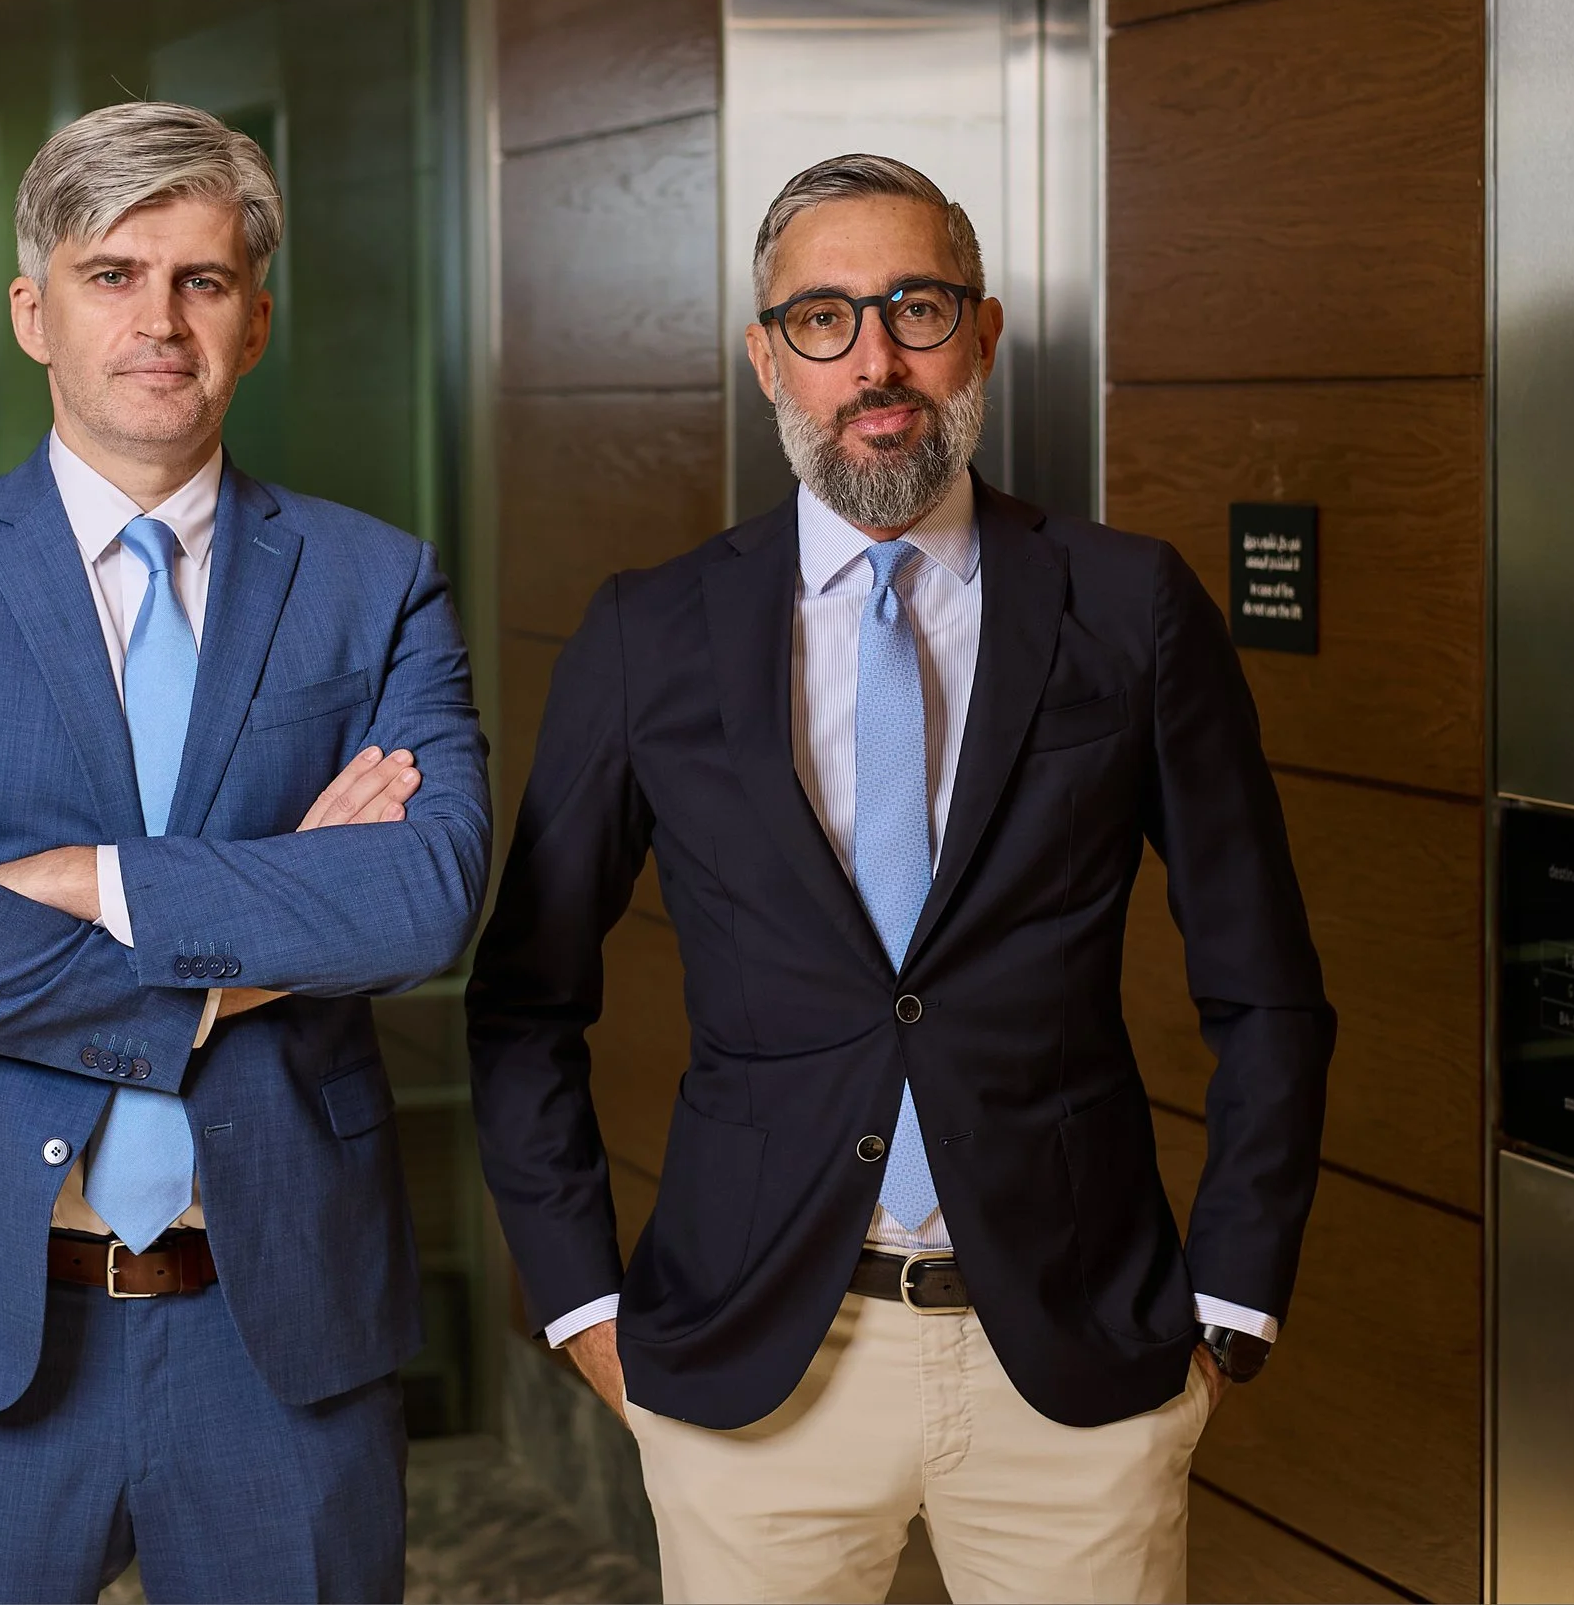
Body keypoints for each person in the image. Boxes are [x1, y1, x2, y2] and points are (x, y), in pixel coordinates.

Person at [467, 154, 1334, 1604]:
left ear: (981, 333)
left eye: (914, 308)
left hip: (1075, 1358)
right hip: (752, 1365)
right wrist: (583, 1307)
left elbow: (1267, 987)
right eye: (822, 318)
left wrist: (1229, 1307)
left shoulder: (1130, 606)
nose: (874, 360)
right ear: (766, 356)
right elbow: (523, 1001)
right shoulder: (649, 633)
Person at [0, 102, 489, 1603]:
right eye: (111, 274)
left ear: (258, 316)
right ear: (33, 312)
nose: (159, 320)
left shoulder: (376, 582)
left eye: (202, 280)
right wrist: (250, 954)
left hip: (274, 1325)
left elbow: (424, 895)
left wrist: (91, 882)